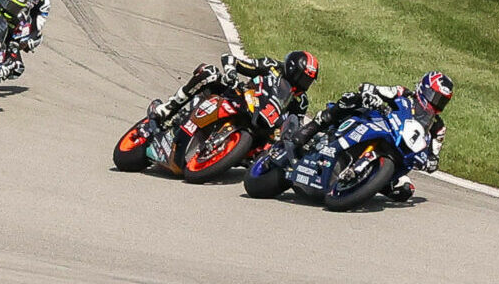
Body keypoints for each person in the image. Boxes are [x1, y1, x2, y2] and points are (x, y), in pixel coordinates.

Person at [274, 72, 451, 199]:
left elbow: (434, 155)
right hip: (376, 125)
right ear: (423, 89)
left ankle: (361, 185)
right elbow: (379, 90)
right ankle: (311, 129)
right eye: (434, 96)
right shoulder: (403, 94)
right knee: (351, 100)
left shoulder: (437, 127)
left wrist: (430, 162)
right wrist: (371, 93)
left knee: (405, 189)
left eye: (442, 100)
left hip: (397, 153)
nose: (436, 103)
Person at [149, 50, 320, 129]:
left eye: (308, 81)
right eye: (302, 78)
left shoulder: (301, 101)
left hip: (263, 125)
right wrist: (231, 72)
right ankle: (168, 109)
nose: (304, 84)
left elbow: (295, 125)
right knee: (209, 72)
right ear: (291, 69)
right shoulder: (271, 66)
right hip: (239, 97)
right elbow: (230, 58)